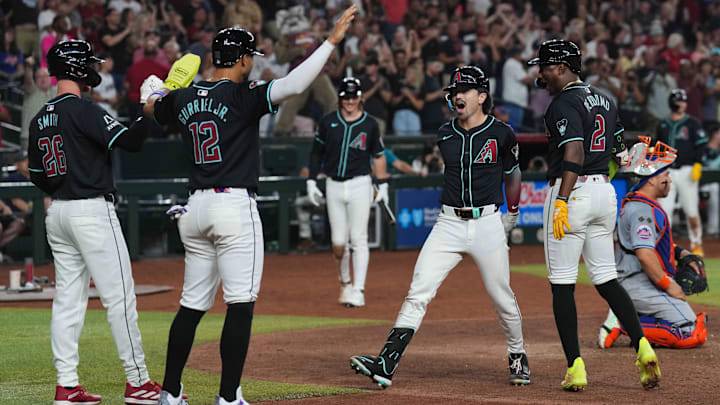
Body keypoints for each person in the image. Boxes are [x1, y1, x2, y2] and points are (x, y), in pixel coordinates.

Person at [143, 7, 358, 405]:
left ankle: (169, 393)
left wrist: (156, 92)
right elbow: (294, 84)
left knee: (191, 307)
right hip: (233, 207)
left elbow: (151, 111)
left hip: (194, 210)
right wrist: (330, 42)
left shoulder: (186, 96)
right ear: (242, 59)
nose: (251, 63)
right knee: (239, 306)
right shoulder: (244, 95)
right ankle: (227, 397)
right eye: (250, 57)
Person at [27, 40, 188, 405]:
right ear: (78, 69)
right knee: (120, 299)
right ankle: (138, 383)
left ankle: (66, 385)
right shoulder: (83, 110)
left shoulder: (40, 117)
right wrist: (147, 110)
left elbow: (38, 175)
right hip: (91, 213)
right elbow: (130, 142)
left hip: (59, 213)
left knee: (67, 301)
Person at [349, 65, 531, 388]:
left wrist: (512, 212)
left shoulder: (502, 133)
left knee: (501, 295)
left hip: (488, 220)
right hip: (448, 222)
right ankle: (386, 363)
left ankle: (517, 354)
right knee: (418, 290)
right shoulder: (444, 133)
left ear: (482, 96)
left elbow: (513, 174)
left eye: (464, 91)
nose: (457, 96)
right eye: (454, 91)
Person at [529, 39, 661, 391]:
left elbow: (573, 150)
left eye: (543, 66)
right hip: (605, 191)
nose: (540, 72)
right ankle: (643, 345)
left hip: (572, 190)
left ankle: (575, 366)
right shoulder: (606, 98)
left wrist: (562, 200)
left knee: (562, 283)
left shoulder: (563, 103)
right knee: (605, 277)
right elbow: (620, 152)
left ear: (561, 68)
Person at [597, 139, 708, 350]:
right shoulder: (642, 211)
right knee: (692, 331)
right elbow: (645, 255)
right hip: (638, 284)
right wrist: (670, 285)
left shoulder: (639, 203)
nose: (669, 181)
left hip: (635, 281)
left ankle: (630, 314)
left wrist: (680, 253)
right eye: (665, 176)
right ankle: (621, 323)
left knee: (685, 322)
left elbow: (651, 244)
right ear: (651, 180)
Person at [305, 76, 390, 308]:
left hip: (360, 183)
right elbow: (316, 153)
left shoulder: (370, 124)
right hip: (333, 184)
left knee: (359, 238)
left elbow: (379, 155)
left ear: (360, 97)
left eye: (353, 97)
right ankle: (344, 283)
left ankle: (358, 289)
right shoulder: (327, 122)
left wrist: (383, 185)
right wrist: (311, 181)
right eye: (346, 97)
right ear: (340, 99)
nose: (350, 101)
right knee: (338, 243)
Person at [656, 89, 708, 255]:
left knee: (691, 210)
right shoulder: (663, 124)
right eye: (680, 101)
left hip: (687, 170)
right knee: (665, 211)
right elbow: (657, 149)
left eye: (684, 101)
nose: (682, 104)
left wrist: (698, 164)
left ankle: (696, 243)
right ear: (672, 102)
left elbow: (701, 145)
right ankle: (665, 246)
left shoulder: (692, 123)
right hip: (667, 171)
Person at [701, 126, 720, 237]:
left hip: (716, 183)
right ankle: (712, 230)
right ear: (715, 135)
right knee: (714, 188)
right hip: (702, 184)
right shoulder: (703, 149)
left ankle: (713, 229)